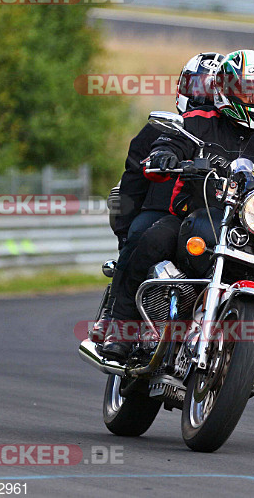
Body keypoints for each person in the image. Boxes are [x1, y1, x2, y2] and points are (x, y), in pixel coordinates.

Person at [101, 50, 254, 398]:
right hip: (195, 217)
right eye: (246, 89)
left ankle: (243, 357)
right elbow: (171, 140)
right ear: (225, 87)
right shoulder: (198, 120)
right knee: (150, 240)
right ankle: (120, 327)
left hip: (250, 229)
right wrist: (165, 155)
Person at [90, 52, 225, 343]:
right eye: (197, 87)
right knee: (140, 234)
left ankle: (239, 352)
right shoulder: (159, 129)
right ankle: (114, 317)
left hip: (211, 221)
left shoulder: (228, 135)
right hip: (160, 212)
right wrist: (124, 231)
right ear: (183, 87)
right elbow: (132, 185)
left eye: (211, 90)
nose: (203, 97)